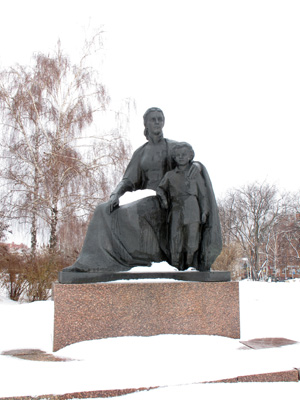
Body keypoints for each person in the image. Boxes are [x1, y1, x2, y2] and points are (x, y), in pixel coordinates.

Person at [62, 107, 221, 274]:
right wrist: (115, 195)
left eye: (160, 118)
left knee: (134, 213)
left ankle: (135, 257)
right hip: (150, 197)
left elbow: (188, 159)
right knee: (102, 210)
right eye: (153, 119)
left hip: (169, 201)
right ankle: (91, 262)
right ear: (146, 123)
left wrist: (197, 165)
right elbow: (128, 180)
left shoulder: (173, 147)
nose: (157, 122)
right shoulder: (141, 152)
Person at [156, 142, 209, 270]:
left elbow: (203, 194)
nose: (181, 157)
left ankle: (190, 266)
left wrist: (204, 211)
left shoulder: (194, 174)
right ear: (174, 157)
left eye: (184, 154)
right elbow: (160, 189)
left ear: (190, 156)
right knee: (175, 240)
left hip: (192, 209)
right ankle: (175, 266)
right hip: (176, 210)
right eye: (178, 155)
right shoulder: (170, 175)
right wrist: (164, 200)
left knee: (192, 240)